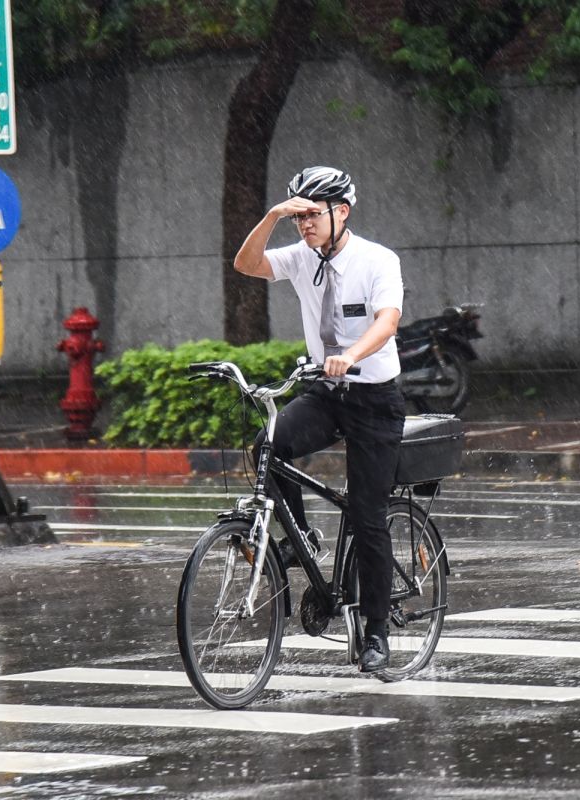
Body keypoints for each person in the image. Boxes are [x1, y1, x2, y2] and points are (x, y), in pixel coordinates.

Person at [233, 166, 406, 673]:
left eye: (313, 214)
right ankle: (301, 537)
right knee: (268, 445)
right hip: (327, 393)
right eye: (298, 216)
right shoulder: (301, 256)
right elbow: (246, 264)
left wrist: (350, 355)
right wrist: (271, 216)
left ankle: (377, 632)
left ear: (342, 212)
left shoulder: (377, 260)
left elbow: (388, 321)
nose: (304, 224)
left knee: (368, 516)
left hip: (374, 398)